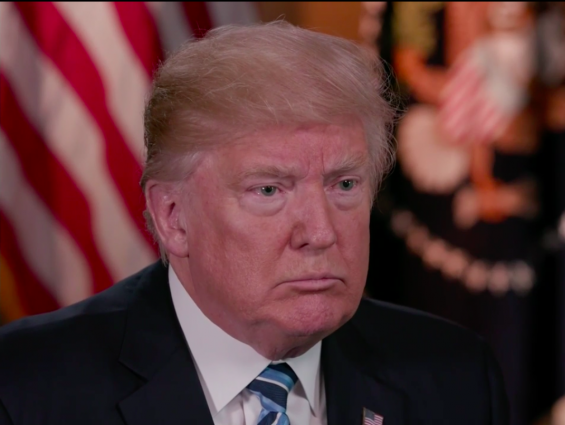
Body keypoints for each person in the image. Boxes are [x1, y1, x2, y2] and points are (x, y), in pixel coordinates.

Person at [0, 22, 509, 425]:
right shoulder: (26, 387)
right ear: (173, 218)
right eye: (269, 190)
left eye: (344, 185)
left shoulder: (452, 374)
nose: (321, 231)